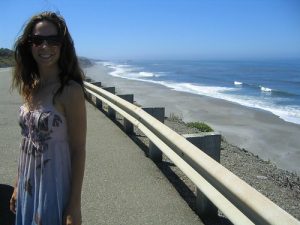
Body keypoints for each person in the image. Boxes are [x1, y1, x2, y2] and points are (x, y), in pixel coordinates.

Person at [10, 11, 86, 225]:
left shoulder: (70, 91)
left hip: (53, 187)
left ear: (63, 45)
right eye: (37, 40)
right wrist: (17, 185)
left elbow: (78, 150)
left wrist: (74, 206)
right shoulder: (31, 87)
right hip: (27, 186)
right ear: (29, 44)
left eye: (53, 40)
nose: (45, 46)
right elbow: (26, 140)